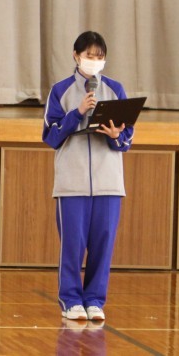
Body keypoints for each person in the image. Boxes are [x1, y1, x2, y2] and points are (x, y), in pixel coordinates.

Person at [42, 31, 135, 321]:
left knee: (103, 245)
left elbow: (127, 140)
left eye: (99, 57)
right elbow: (51, 136)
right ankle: (70, 300)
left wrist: (116, 135)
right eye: (89, 56)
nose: (94, 61)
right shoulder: (60, 90)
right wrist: (77, 112)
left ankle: (94, 300)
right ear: (76, 55)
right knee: (72, 245)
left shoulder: (116, 89)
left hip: (109, 183)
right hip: (72, 183)